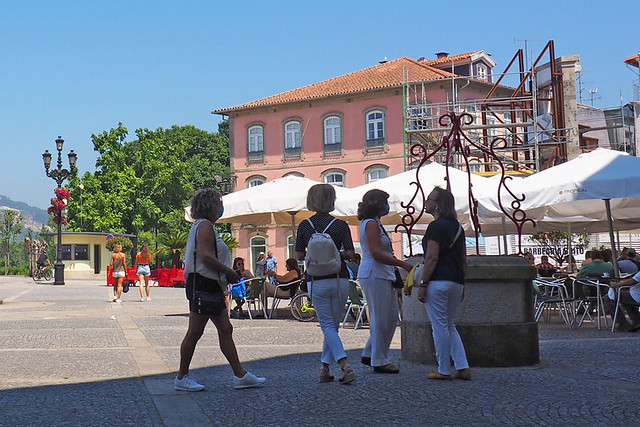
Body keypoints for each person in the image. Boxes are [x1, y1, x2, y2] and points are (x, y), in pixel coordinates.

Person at [175, 188, 266, 392]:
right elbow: (206, 256)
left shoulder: (202, 226)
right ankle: (182, 377)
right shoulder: (205, 225)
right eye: (219, 203)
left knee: (225, 329)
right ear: (211, 205)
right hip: (204, 283)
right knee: (195, 332)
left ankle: (240, 374)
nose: (221, 207)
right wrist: (228, 272)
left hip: (206, 283)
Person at [295, 183, 356, 384]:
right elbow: (350, 254)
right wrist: (334, 254)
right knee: (333, 326)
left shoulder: (305, 226)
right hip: (339, 278)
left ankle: (343, 366)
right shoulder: (340, 225)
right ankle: (325, 368)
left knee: (328, 326)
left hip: (316, 280)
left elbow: (299, 255)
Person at [417, 187, 471, 381]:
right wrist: (462, 282)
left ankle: (444, 369)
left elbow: (431, 257)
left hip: (438, 281)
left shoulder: (435, 227)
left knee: (439, 326)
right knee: (449, 325)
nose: (426, 202)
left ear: (438, 204)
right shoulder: (457, 227)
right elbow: (463, 259)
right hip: (455, 281)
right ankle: (462, 366)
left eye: (430, 199)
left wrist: (423, 283)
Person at [357, 189, 413, 375]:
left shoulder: (375, 223)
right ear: (377, 204)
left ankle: (370, 352)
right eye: (385, 202)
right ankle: (379, 360)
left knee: (388, 317)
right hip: (375, 273)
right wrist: (401, 264)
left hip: (381, 274)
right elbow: (376, 253)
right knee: (381, 318)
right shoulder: (371, 224)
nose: (388, 206)